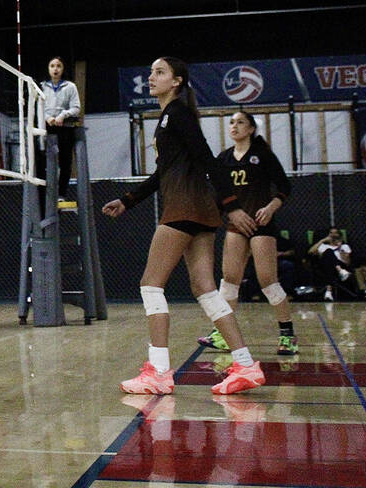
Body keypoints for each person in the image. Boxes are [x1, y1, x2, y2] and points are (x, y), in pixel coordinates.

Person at [101, 57, 265, 396]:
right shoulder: (169, 117)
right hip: (198, 208)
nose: (151, 77)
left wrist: (232, 205)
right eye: (150, 72)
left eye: (159, 72)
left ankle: (159, 372)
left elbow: (207, 158)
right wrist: (128, 200)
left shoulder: (177, 114)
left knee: (150, 285)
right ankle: (246, 365)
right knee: (205, 289)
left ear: (176, 81)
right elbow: (163, 174)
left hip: (185, 205)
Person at [197, 110, 299, 356]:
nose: (234, 126)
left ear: (251, 128)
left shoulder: (262, 155)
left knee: (268, 281)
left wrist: (271, 207)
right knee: (229, 280)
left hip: (261, 223)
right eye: (231, 122)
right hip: (236, 225)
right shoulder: (224, 158)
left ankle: (288, 336)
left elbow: (284, 186)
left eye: (240, 122)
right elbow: (219, 193)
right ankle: (222, 334)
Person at [40, 56, 81, 200]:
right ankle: (45, 194)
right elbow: (38, 107)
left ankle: (61, 194)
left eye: (58, 66)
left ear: (63, 69)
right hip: (47, 128)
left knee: (65, 162)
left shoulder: (70, 86)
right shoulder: (41, 87)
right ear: (48, 68)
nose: (55, 69)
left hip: (65, 127)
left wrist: (63, 115)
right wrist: (48, 118)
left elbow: (76, 108)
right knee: (45, 161)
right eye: (52, 66)